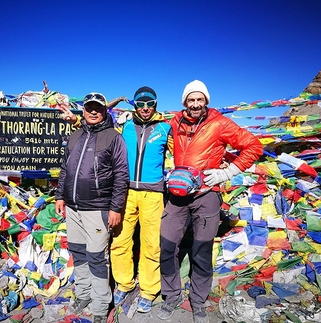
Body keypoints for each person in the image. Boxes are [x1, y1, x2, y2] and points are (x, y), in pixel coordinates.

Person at [156, 80, 263, 323]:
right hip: (177, 196)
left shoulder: (220, 123)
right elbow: (145, 126)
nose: (195, 104)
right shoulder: (175, 122)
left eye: (199, 99)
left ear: (206, 101)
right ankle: (171, 296)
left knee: (201, 251)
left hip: (207, 196)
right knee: (167, 246)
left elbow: (253, 146)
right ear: (184, 102)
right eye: (191, 100)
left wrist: (228, 171)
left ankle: (198, 301)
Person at [59, 87, 173, 314]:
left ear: (156, 105)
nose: (145, 108)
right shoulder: (123, 127)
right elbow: (96, 128)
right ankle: (123, 283)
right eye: (140, 103)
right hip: (125, 193)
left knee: (152, 244)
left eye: (150, 103)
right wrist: (74, 120)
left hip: (153, 194)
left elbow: (183, 152)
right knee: (120, 241)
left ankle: (148, 290)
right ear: (134, 105)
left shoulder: (166, 128)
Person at [54, 92, 129, 323]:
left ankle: (100, 305)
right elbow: (65, 169)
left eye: (98, 108)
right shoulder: (75, 135)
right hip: (73, 208)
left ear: (104, 111)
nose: (93, 112)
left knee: (97, 257)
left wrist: (116, 208)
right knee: (78, 253)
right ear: (83, 111)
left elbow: (121, 175)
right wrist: (59, 196)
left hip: (98, 209)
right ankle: (84, 294)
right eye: (89, 108)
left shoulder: (113, 138)